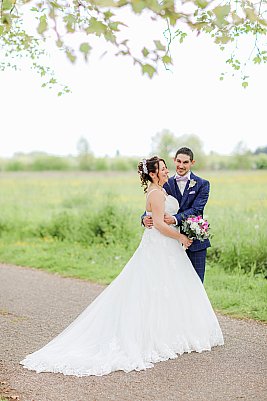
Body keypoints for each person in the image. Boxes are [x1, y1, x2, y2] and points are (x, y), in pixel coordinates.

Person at [20, 156, 223, 377]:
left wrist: (156, 221)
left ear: (191, 162)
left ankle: (171, 332)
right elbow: (157, 221)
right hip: (161, 245)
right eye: (164, 168)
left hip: (166, 247)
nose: (169, 171)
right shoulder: (157, 192)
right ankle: (153, 336)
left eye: (167, 167)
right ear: (154, 173)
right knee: (153, 289)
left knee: (168, 290)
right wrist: (180, 236)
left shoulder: (170, 188)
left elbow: (168, 213)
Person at [143, 148, 210, 282]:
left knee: (196, 283)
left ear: (192, 162)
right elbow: (155, 205)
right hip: (169, 243)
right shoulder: (165, 182)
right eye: (178, 161)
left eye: (185, 162)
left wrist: (174, 219)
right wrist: (144, 218)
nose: (181, 165)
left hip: (194, 242)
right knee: (173, 284)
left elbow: (196, 209)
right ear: (174, 160)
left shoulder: (202, 184)